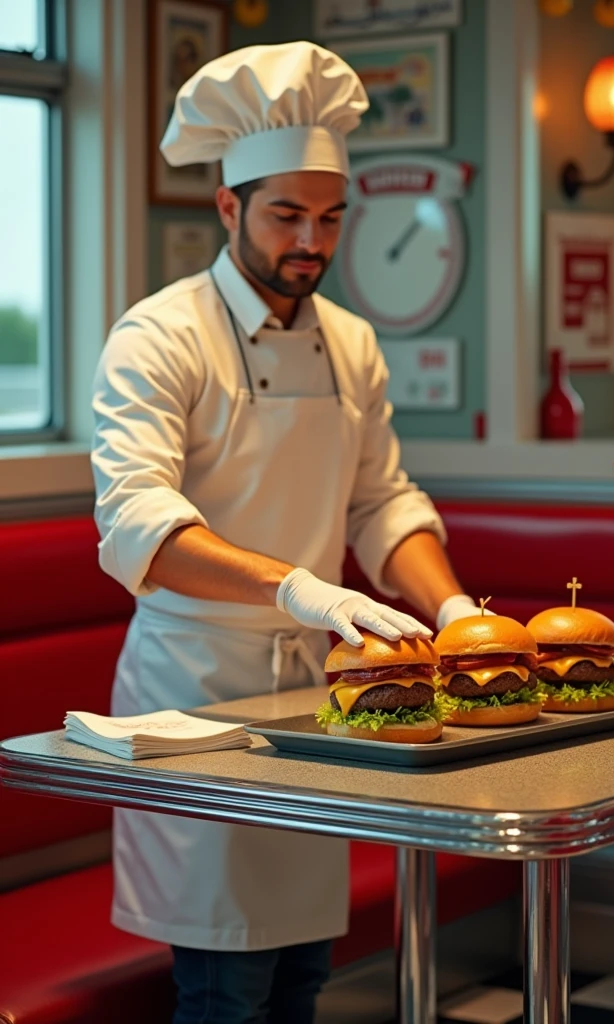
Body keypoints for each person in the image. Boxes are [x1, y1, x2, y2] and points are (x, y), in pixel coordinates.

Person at [91, 40, 487, 1024]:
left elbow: (379, 503)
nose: (310, 239)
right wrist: (301, 589)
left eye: (329, 217)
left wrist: (453, 609)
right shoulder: (158, 336)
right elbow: (138, 521)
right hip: (189, 709)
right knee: (225, 992)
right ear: (225, 207)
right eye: (284, 215)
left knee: (301, 980)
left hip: (314, 706)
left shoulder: (350, 340)